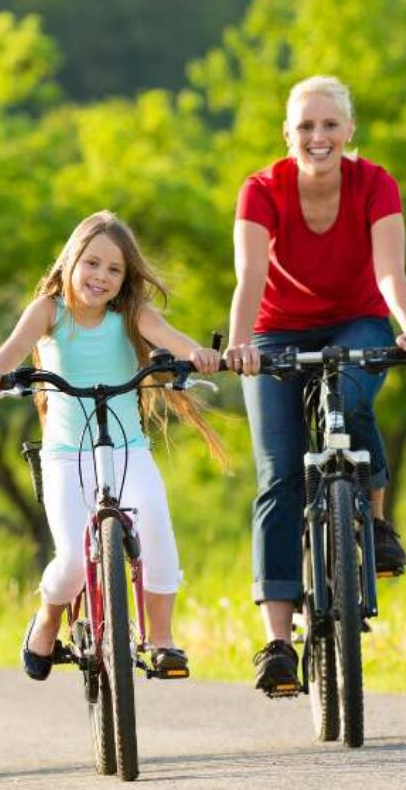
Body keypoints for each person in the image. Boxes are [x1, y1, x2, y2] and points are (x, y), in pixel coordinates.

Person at [0, 210, 224, 680]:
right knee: (70, 557)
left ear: (125, 279)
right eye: (92, 263)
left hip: (127, 449)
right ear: (71, 260)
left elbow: (174, 340)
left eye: (114, 270)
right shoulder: (48, 312)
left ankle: (163, 638)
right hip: (67, 455)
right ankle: (48, 619)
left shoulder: (132, 315)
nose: (101, 277)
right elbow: (8, 351)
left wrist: (201, 355)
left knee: (154, 522)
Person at [224, 76, 406, 696]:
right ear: (287, 134)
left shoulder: (375, 183)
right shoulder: (261, 189)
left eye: (330, 125)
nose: (318, 137)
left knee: (352, 400)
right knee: (279, 474)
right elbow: (250, 273)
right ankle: (277, 640)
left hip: (357, 319)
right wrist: (239, 342)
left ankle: (376, 523)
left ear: (348, 130)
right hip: (277, 331)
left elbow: (389, 269)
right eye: (306, 126)